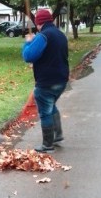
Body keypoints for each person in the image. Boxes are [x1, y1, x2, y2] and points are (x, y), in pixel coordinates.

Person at [22, 8, 69, 153]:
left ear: (38, 23)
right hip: (61, 80)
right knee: (50, 105)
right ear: (51, 20)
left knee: (45, 112)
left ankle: (47, 144)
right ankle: (58, 134)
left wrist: (28, 42)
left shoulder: (43, 36)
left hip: (46, 82)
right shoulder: (60, 34)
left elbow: (28, 56)